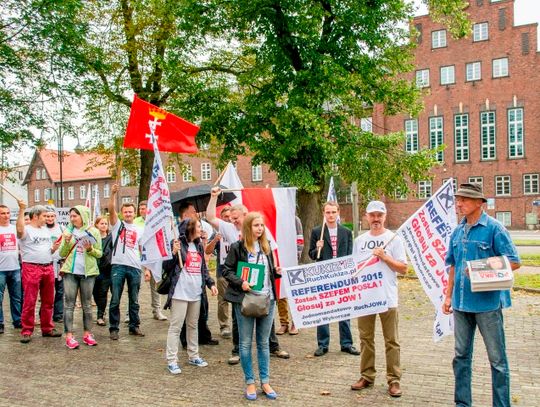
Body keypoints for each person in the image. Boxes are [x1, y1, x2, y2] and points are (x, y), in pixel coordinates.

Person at [442, 183, 520, 407]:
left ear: (479, 203)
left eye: (465, 199)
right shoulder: (457, 230)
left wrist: (482, 268)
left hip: (488, 305)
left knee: (497, 361)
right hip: (461, 304)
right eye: (458, 199)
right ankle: (462, 403)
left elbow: (514, 261)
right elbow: (453, 266)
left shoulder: (495, 229)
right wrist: (448, 297)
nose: (459, 203)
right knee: (461, 358)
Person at [206, 187, 290, 363]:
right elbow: (210, 217)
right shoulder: (229, 228)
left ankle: (273, 346)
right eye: (231, 218)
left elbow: (271, 251)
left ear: (246, 216)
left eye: (236, 218)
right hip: (239, 280)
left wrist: (275, 270)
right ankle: (237, 350)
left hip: (260, 282)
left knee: (265, 312)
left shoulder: (260, 231)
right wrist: (214, 197)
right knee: (239, 315)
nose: (233, 221)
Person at [350, 200, 408, 397]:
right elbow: (354, 268)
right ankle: (367, 375)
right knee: (366, 339)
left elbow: (403, 268)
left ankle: (394, 379)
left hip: (387, 297)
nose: (375, 219)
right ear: (366, 216)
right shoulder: (360, 241)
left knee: (392, 340)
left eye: (379, 215)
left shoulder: (394, 239)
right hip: (365, 298)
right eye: (372, 215)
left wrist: (384, 257)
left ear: (384, 216)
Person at [222, 212, 281, 400]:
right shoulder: (237, 247)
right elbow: (226, 270)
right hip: (245, 300)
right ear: (248, 227)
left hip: (267, 300)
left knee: (263, 343)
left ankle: (265, 381)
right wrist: (241, 282)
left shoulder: (267, 246)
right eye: (256, 225)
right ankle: (250, 382)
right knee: (245, 343)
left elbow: (267, 272)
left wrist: (276, 272)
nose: (260, 229)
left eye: (262, 225)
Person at [163, 217, 218, 374]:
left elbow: (203, 269)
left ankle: (193, 355)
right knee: (176, 326)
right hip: (180, 293)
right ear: (189, 228)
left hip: (196, 293)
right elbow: (166, 267)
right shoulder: (177, 244)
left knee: (193, 325)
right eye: (198, 226)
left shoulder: (199, 246)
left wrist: (211, 284)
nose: (201, 229)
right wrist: (173, 253)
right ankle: (172, 360)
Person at [308, 201, 359, 357]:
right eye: (327, 212)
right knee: (323, 310)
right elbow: (311, 255)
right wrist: (318, 248)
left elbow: (351, 255)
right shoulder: (318, 232)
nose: (330, 215)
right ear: (324, 213)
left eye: (333, 212)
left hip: (342, 276)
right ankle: (323, 344)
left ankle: (346, 343)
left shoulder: (345, 232)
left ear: (338, 212)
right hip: (324, 276)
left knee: (344, 310)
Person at [16, 202, 62, 343]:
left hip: (48, 266)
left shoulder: (45, 230)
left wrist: (53, 249)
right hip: (31, 268)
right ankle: (27, 330)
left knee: (48, 300)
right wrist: (22, 209)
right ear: (35, 216)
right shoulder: (27, 229)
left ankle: (47, 328)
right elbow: (19, 230)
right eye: (44, 216)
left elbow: (48, 250)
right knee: (30, 301)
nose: (46, 218)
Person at [58, 206, 102, 349]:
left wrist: (90, 249)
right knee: (69, 304)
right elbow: (62, 253)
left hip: (88, 273)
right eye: (70, 216)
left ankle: (87, 334)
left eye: (75, 216)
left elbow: (99, 253)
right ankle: (69, 336)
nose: (72, 219)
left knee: (87, 305)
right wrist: (66, 241)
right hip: (70, 272)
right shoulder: (68, 231)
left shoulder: (93, 231)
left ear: (83, 216)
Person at [108, 184, 146, 340]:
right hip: (118, 265)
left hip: (135, 267)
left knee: (134, 299)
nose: (128, 214)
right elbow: (111, 210)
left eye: (131, 211)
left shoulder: (140, 228)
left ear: (134, 213)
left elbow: (142, 248)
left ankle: (134, 326)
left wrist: (147, 268)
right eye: (125, 212)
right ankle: (114, 328)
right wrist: (112, 194)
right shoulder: (117, 225)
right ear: (122, 213)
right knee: (115, 298)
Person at [178, 201, 219, 346]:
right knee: (185, 316)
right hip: (184, 287)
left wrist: (210, 283)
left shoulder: (197, 244)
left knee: (203, 310)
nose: (196, 213)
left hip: (198, 283)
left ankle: (203, 337)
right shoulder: (178, 241)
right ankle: (185, 340)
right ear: (185, 216)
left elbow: (202, 266)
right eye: (193, 211)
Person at [134, 200, 167, 321]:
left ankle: (157, 311)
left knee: (156, 284)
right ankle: (130, 313)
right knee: (136, 285)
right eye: (141, 208)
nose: (142, 210)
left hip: (154, 258)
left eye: (145, 208)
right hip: (138, 258)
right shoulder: (135, 222)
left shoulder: (156, 221)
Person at [205, 206, 232, 338]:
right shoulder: (217, 232)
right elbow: (207, 251)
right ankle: (224, 326)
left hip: (239, 271)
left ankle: (239, 324)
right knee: (223, 299)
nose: (228, 218)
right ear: (221, 218)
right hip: (223, 271)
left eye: (230, 216)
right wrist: (215, 239)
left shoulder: (239, 230)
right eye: (225, 216)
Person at [276, 215, 303, 335]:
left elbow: (300, 239)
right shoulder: (275, 217)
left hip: (292, 260)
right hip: (279, 259)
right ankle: (283, 323)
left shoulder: (295, 219)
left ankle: (295, 323)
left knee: (294, 293)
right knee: (280, 293)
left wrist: (297, 255)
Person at [0, 205, 22, 334]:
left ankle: (17, 320)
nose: (6, 215)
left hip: (15, 268)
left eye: (8, 213)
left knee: (16, 297)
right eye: (3, 213)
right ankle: (0, 323)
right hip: (0, 269)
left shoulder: (14, 229)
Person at [44, 206, 65, 322]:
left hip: (59, 263)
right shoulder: (42, 229)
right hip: (46, 263)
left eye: (52, 216)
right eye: (47, 216)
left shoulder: (62, 228)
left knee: (60, 290)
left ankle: (58, 314)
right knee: (47, 291)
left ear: (55, 217)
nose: (50, 218)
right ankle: (45, 315)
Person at [93, 216, 112, 326]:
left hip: (106, 270)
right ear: (96, 225)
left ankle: (100, 315)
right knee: (95, 292)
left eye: (105, 223)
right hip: (95, 268)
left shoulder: (111, 238)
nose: (104, 225)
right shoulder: (94, 238)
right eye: (101, 223)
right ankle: (100, 309)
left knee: (103, 292)